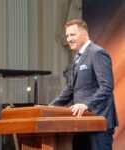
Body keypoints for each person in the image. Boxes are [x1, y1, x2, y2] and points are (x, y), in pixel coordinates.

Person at [49, 19, 119, 150]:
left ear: (85, 34)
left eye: (72, 34)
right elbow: (70, 89)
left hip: (99, 122)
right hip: (82, 123)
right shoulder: (78, 58)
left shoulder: (97, 53)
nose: (69, 39)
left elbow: (106, 86)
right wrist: (48, 108)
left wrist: (86, 104)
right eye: (67, 35)